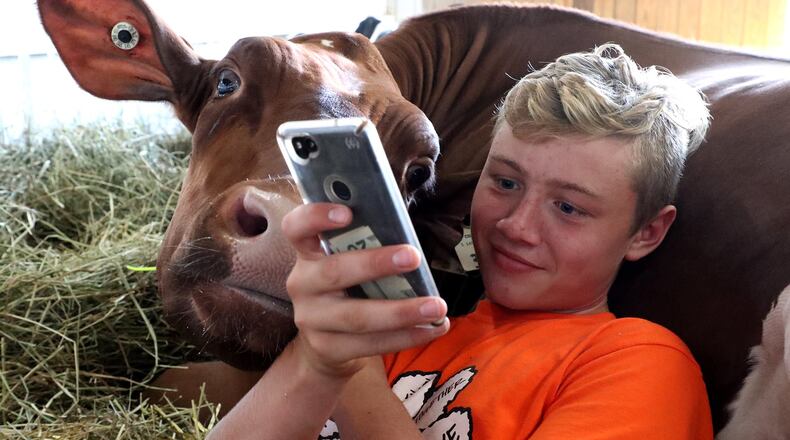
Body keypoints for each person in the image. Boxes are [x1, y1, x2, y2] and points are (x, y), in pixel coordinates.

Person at [208, 44, 713, 439]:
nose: (516, 226)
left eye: (568, 207)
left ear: (647, 232)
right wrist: (318, 358)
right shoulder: (404, 324)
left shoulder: (639, 363)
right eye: (506, 183)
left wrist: (353, 373)